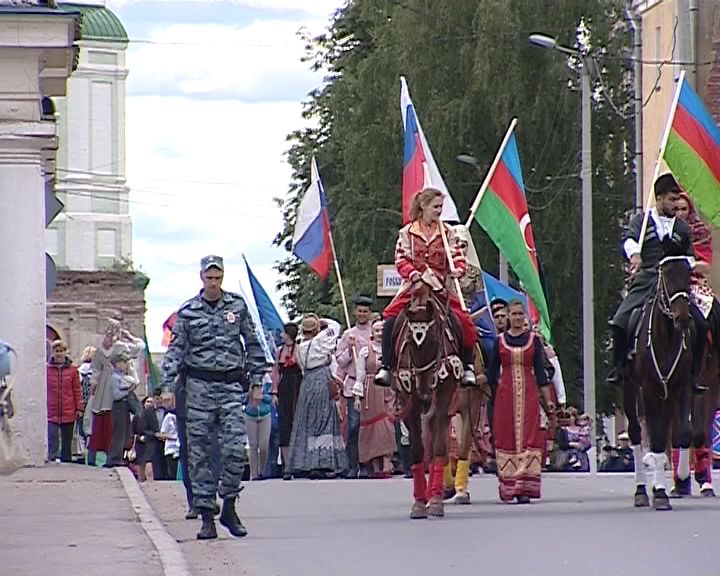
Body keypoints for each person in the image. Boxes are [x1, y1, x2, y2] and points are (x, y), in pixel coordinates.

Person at [161, 255, 269, 540]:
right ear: (201, 278)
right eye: (209, 277)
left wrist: (257, 382)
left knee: (235, 449)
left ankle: (230, 505)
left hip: (230, 387)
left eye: (217, 277)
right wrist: (167, 387)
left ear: (223, 277)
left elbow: (254, 345)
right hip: (198, 388)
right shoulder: (188, 312)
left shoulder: (237, 306)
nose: (213, 282)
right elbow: (175, 351)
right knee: (199, 455)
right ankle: (207, 516)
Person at [607, 173, 703, 391]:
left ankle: (695, 375)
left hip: (674, 282)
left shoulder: (682, 228)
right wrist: (634, 255)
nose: (675, 204)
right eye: (671, 199)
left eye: (677, 199)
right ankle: (619, 367)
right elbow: (629, 241)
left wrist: (685, 263)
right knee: (621, 321)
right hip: (648, 278)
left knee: (700, 322)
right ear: (659, 198)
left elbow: (690, 256)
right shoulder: (641, 222)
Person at [375, 187, 477, 387]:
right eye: (436, 206)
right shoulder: (407, 233)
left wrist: (458, 268)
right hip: (414, 286)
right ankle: (386, 366)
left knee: (465, 321)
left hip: (440, 287)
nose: (439, 211)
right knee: (389, 319)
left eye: (441, 207)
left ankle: (467, 366)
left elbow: (457, 255)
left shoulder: (447, 232)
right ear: (423, 206)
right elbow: (400, 258)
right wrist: (413, 274)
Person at [486, 299, 553, 503]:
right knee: (507, 437)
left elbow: (541, 373)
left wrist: (548, 401)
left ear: (524, 316)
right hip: (505, 397)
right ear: (507, 317)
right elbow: (491, 373)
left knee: (529, 438)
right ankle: (509, 486)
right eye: (513, 314)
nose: (516, 318)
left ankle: (525, 487)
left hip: (529, 395)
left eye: (519, 314)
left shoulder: (534, 341)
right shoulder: (499, 341)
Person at [287, 314, 347, 479]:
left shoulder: (299, 346)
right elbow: (335, 326)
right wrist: (322, 321)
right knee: (324, 418)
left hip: (307, 382)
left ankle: (304, 462)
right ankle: (321, 462)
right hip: (321, 378)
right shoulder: (320, 341)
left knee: (307, 420)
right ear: (315, 329)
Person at [335, 295, 374, 478]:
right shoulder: (348, 335)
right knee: (354, 425)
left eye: (365, 311)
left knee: (370, 426)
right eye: (360, 311)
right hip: (353, 385)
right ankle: (353, 464)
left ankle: (368, 464)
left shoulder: (375, 332)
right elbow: (340, 361)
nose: (362, 314)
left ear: (370, 313)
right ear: (354, 312)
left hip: (373, 385)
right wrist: (349, 351)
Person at [353, 319, 397, 478]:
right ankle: (375, 466)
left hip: (387, 389)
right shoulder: (365, 351)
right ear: (372, 332)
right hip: (370, 390)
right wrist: (358, 397)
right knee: (371, 429)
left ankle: (387, 462)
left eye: (382, 330)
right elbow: (360, 375)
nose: (380, 334)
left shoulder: (392, 350)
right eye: (377, 330)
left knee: (387, 426)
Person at [271, 322, 302, 480]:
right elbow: (276, 372)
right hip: (284, 389)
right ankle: (286, 465)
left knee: (296, 424)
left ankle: (298, 463)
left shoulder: (300, 349)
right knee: (284, 426)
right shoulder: (279, 351)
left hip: (297, 388)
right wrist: (274, 392)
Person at [46, 340, 83, 463]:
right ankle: (51, 460)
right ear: (53, 352)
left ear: (65, 352)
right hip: (51, 409)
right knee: (53, 438)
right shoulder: (47, 370)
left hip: (68, 409)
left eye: (61, 351)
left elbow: (77, 390)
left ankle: (66, 463)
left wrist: (79, 408)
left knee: (67, 440)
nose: (59, 354)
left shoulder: (72, 371)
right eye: (57, 351)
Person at [106, 348, 137, 467]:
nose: (125, 365)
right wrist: (129, 390)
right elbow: (116, 395)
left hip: (124, 407)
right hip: (118, 406)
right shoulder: (115, 377)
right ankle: (114, 458)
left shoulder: (123, 376)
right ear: (117, 363)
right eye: (123, 363)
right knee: (118, 433)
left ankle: (119, 455)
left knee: (124, 432)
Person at [243, 371, 273, 480]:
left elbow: (271, 398)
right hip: (250, 415)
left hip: (265, 415)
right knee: (253, 445)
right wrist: (249, 395)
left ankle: (262, 471)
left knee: (264, 445)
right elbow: (242, 399)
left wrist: (261, 396)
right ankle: (254, 474)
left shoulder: (267, 379)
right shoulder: (246, 378)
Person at [160, 406, 180, 480]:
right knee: (172, 473)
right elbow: (162, 434)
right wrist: (175, 437)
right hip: (171, 449)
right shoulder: (169, 417)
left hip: (182, 449)